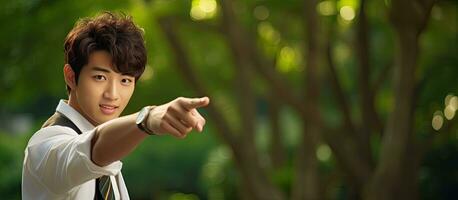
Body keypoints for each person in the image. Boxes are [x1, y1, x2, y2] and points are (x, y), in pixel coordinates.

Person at [21, 12, 210, 200]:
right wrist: (146, 119)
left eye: (125, 80)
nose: (112, 94)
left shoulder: (110, 148)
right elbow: (90, 150)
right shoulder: (46, 146)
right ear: (71, 76)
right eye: (100, 77)